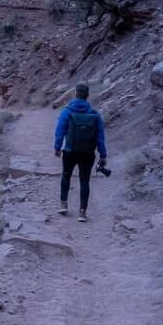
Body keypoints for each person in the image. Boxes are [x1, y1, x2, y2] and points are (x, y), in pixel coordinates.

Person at [53, 83, 107, 222]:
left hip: (70, 150)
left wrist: (57, 147)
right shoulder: (94, 114)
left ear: (75, 94)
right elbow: (100, 136)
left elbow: (60, 131)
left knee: (66, 176)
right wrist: (103, 154)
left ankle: (64, 204)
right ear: (87, 95)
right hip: (88, 152)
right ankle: (82, 212)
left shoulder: (67, 111)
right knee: (84, 181)